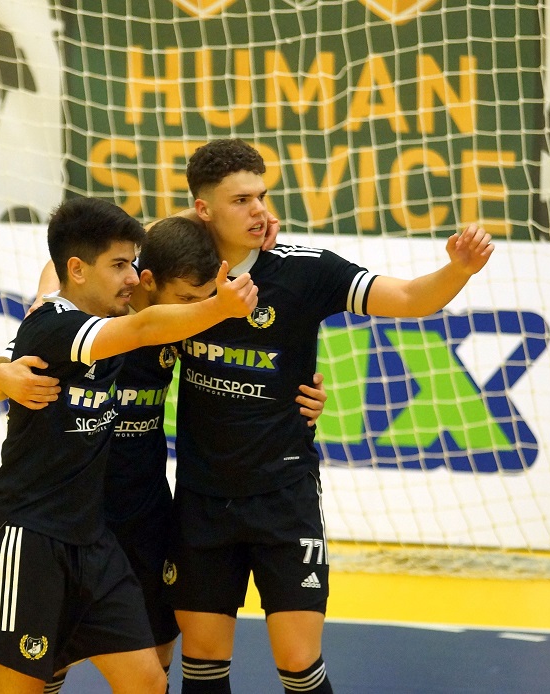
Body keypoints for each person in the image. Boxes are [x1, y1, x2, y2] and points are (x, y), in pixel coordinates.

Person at [163, 138, 494, 694]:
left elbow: (410, 298)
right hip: (201, 498)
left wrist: (457, 269)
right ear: (203, 209)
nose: (259, 211)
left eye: (261, 196)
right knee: (202, 662)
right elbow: (85, 257)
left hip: (283, 498)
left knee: (299, 664)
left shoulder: (304, 271)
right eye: (240, 200)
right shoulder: (176, 268)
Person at [0, 216, 329, 694]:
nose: (197, 307)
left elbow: (239, 364)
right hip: (57, 516)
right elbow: (53, 305)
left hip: (140, 513)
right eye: (188, 299)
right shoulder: (75, 317)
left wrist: (295, 398)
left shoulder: (179, 318)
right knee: (45, 665)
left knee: (153, 668)